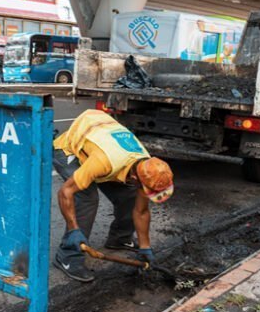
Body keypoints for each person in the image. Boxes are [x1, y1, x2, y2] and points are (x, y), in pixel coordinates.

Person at [53, 109, 174, 282]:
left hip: (102, 145)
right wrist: (74, 228)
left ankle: (120, 238)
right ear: (134, 177)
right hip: (70, 149)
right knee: (87, 198)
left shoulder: (146, 166)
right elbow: (65, 192)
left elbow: (141, 211)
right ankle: (68, 255)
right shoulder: (104, 162)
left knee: (130, 195)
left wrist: (145, 248)